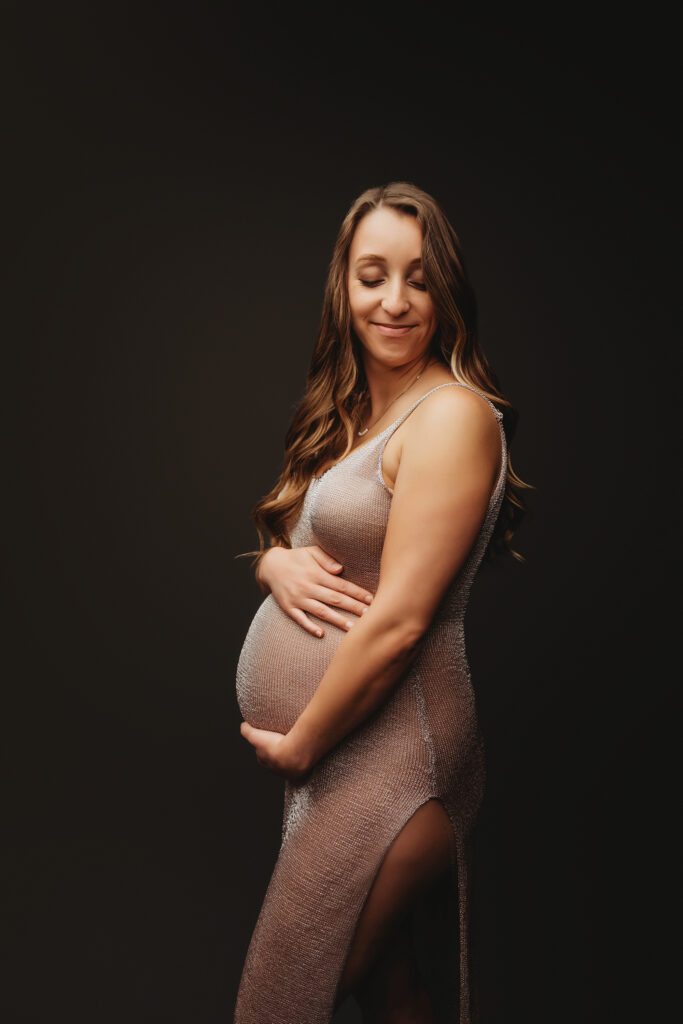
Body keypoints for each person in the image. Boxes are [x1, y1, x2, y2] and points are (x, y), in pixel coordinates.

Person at [234, 182, 530, 1023]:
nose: (394, 301)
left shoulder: (450, 418)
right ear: (344, 287)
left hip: (398, 758)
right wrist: (272, 567)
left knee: (280, 1005)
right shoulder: (362, 417)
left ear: (445, 293)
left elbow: (400, 620)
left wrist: (302, 748)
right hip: (347, 754)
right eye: (373, 275)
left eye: (419, 278)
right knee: (393, 991)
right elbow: (325, 550)